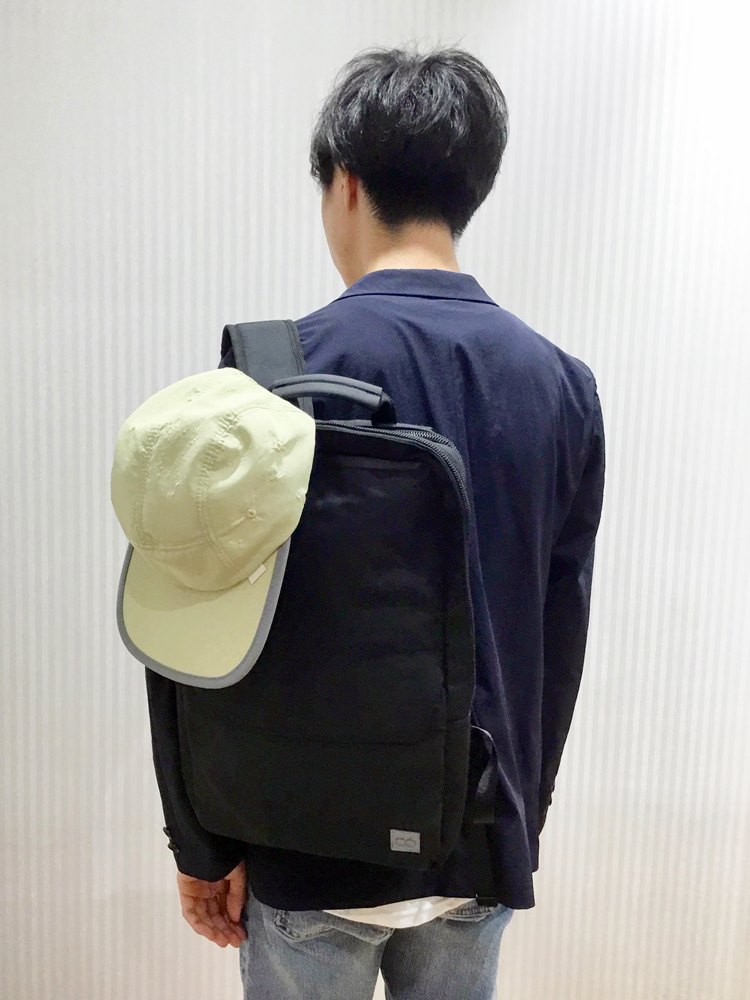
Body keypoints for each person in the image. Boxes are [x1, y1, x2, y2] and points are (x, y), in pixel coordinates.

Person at [144, 44, 605, 999]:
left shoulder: (270, 375)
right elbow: (558, 635)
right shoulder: (563, 387)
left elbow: (196, 633)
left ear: (345, 183)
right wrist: (519, 826)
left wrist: (201, 843)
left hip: (304, 845)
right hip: (477, 844)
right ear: (470, 189)